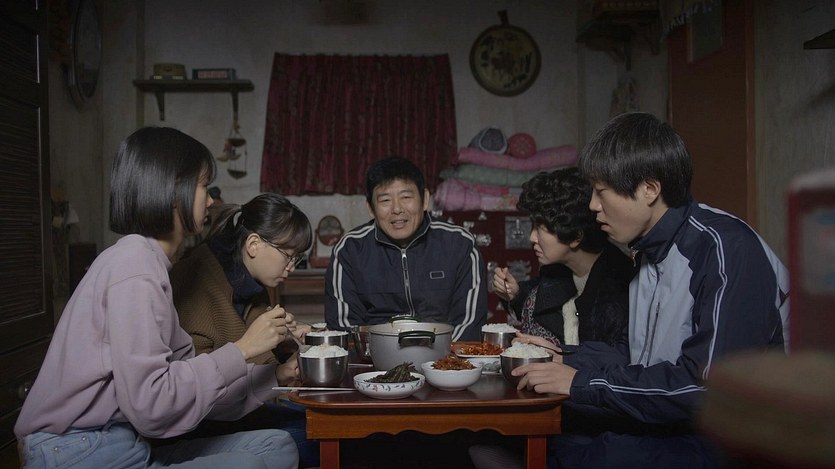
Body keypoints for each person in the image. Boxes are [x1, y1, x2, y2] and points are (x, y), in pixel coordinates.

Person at [512, 112, 790, 468]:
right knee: (562, 437)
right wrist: (564, 357)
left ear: (649, 189)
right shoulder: (647, 252)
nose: (593, 205)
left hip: (740, 435)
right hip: (684, 422)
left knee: (602, 453)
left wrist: (581, 382)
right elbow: (636, 354)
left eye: (601, 191)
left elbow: (707, 389)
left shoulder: (725, 249)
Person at [14, 127, 299, 469]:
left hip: (124, 442)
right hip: (78, 449)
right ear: (175, 191)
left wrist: (276, 376)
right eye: (203, 186)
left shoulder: (152, 266)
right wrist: (242, 349)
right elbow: (152, 406)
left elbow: (194, 388)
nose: (210, 201)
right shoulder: (134, 267)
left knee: (277, 446)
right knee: (249, 465)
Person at [169, 192, 319, 468]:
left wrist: (287, 343)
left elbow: (253, 350)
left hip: (234, 410)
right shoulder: (196, 281)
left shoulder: (247, 278)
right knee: (318, 436)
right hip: (196, 426)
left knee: (319, 422)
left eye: (296, 259)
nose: (291, 268)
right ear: (253, 244)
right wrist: (277, 373)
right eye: (288, 256)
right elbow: (195, 394)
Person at [325, 155, 487, 342]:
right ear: (370, 208)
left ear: (425, 199)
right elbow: (343, 327)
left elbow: (469, 321)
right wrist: (383, 354)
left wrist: (439, 356)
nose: (397, 209)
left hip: (445, 356)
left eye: (406, 197)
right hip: (374, 356)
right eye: (385, 200)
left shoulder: (459, 244)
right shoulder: (349, 250)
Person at [491, 168, 633, 347]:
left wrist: (562, 357)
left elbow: (613, 355)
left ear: (575, 237)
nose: (532, 238)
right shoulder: (557, 269)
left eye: (539, 228)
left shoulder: (618, 288)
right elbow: (543, 307)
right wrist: (516, 294)